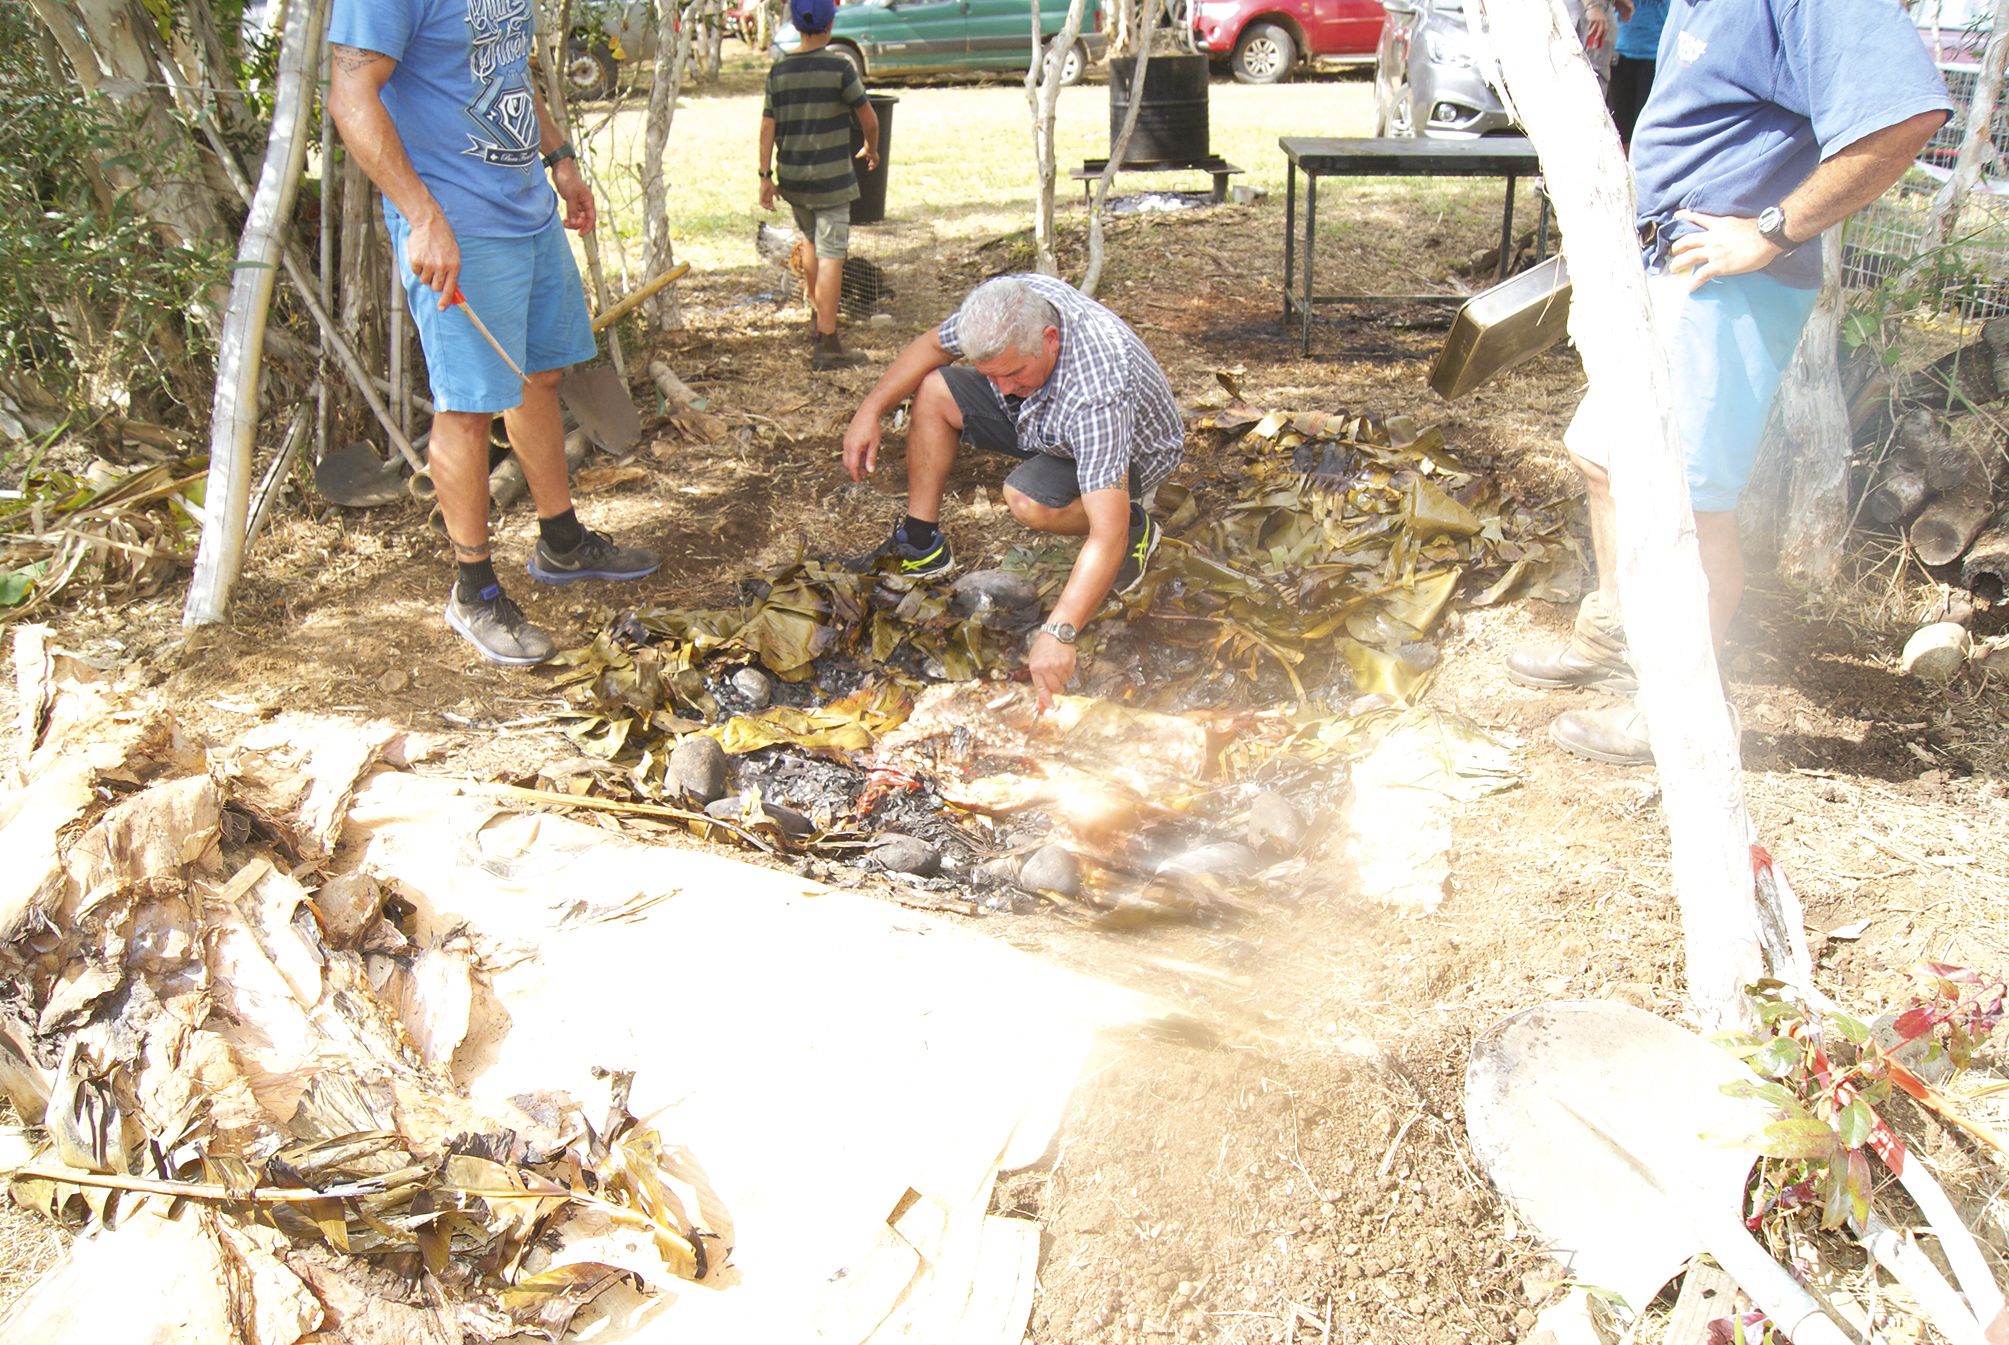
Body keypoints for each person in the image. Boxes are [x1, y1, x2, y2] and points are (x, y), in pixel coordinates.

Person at [1510, 0, 1951, 766]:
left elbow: (1904, 116)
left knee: (1684, 499)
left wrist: (1771, 230)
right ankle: (1619, 636)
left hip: (1719, 281)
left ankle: (1676, 712)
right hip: (1662, 268)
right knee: (1601, 458)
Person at [327, 0, 659, 668]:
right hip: (455, 224)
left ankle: (560, 541)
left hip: (526, 213)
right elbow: (349, 93)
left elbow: (501, 67)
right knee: (469, 405)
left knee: (539, 374)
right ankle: (473, 589)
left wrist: (558, 155)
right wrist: (420, 215)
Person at [840, 274, 1184, 708]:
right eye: (992, 375)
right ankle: (923, 544)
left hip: (1131, 453)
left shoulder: (1097, 391)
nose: (1002, 389)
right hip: (1046, 418)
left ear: (1051, 339)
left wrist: (1060, 630)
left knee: (1029, 500)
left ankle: (1140, 525)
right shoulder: (1005, 306)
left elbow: (1104, 534)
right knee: (934, 388)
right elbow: (932, 347)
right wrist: (870, 409)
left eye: (1014, 371)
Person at [760, 0, 881, 372]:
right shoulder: (840, 67)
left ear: (796, 25)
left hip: (794, 179)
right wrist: (871, 147)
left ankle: (817, 316)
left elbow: (768, 127)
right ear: (830, 24)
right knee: (833, 255)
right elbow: (869, 117)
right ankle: (828, 342)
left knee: (811, 243)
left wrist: (765, 177)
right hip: (831, 181)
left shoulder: (779, 71)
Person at [1605, 0, 1668, 150]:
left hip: (1657, 52)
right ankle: (1622, 171)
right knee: (1619, 129)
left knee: (1649, 127)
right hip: (1622, 49)